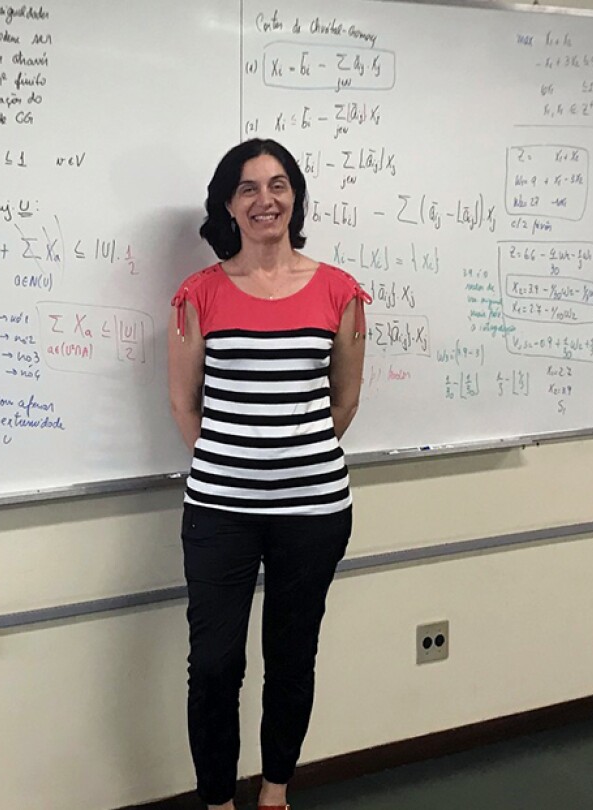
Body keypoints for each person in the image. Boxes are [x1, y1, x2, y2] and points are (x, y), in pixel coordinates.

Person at [167, 138, 371, 810]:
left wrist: (291, 454)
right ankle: (219, 801)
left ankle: (275, 792)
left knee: (291, 658)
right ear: (228, 204)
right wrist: (235, 459)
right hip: (219, 508)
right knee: (216, 665)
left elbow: (344, 402)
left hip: (313, 510)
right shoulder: (198, 295)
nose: (266, 200)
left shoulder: (341, 292)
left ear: (296, 197)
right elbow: (182, 402)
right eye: (249, 188)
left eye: (279, 185)